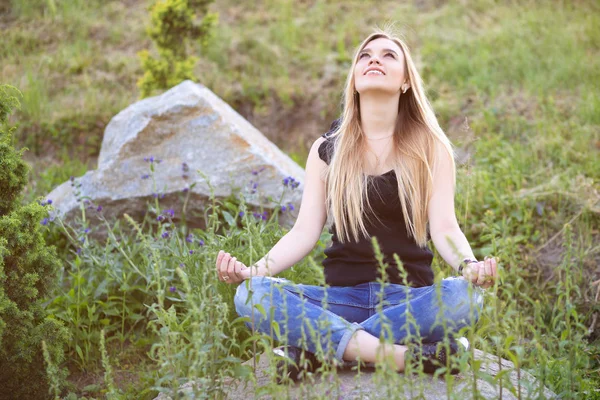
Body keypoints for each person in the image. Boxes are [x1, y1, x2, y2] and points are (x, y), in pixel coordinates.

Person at [216, 25, 498, 382]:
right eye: (364, 56)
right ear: (354, 79)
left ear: (406, 81)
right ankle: (404, 356)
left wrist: (468, 265)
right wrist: (255, 271)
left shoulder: (432, 148)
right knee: (251, 295)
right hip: (339, 300)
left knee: (466, 298)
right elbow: (304, 231)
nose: (373, 60)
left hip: (409, 301)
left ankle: (321, 347)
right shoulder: (326, 149)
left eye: (387, 55)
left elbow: (444, 227)